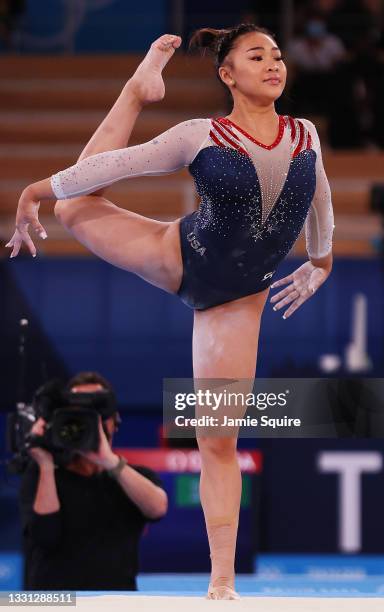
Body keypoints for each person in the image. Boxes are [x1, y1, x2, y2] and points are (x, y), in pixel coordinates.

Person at [8, 25, 334, 599]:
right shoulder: (199, 135)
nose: (273, 64)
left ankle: (223, 580)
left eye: (278, 55)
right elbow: (112, 167)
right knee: (73, 205)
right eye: (256, 56)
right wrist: (35, 189)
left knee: (218, 441)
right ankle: (138, 89)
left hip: (233, 302)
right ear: (227, 74)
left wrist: (321, 259)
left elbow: (319, 194)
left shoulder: (305, 133)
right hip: (177, 256)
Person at [19, 372, 168, 591]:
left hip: (116, 602)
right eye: (77, 412)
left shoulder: (132, 477)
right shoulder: (41, 473)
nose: (86, 420)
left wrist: (108, 461)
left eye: (97, 411)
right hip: (55, 602)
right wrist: (46, 464)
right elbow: (44, 537)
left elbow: (157, 508)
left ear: (114, 422)